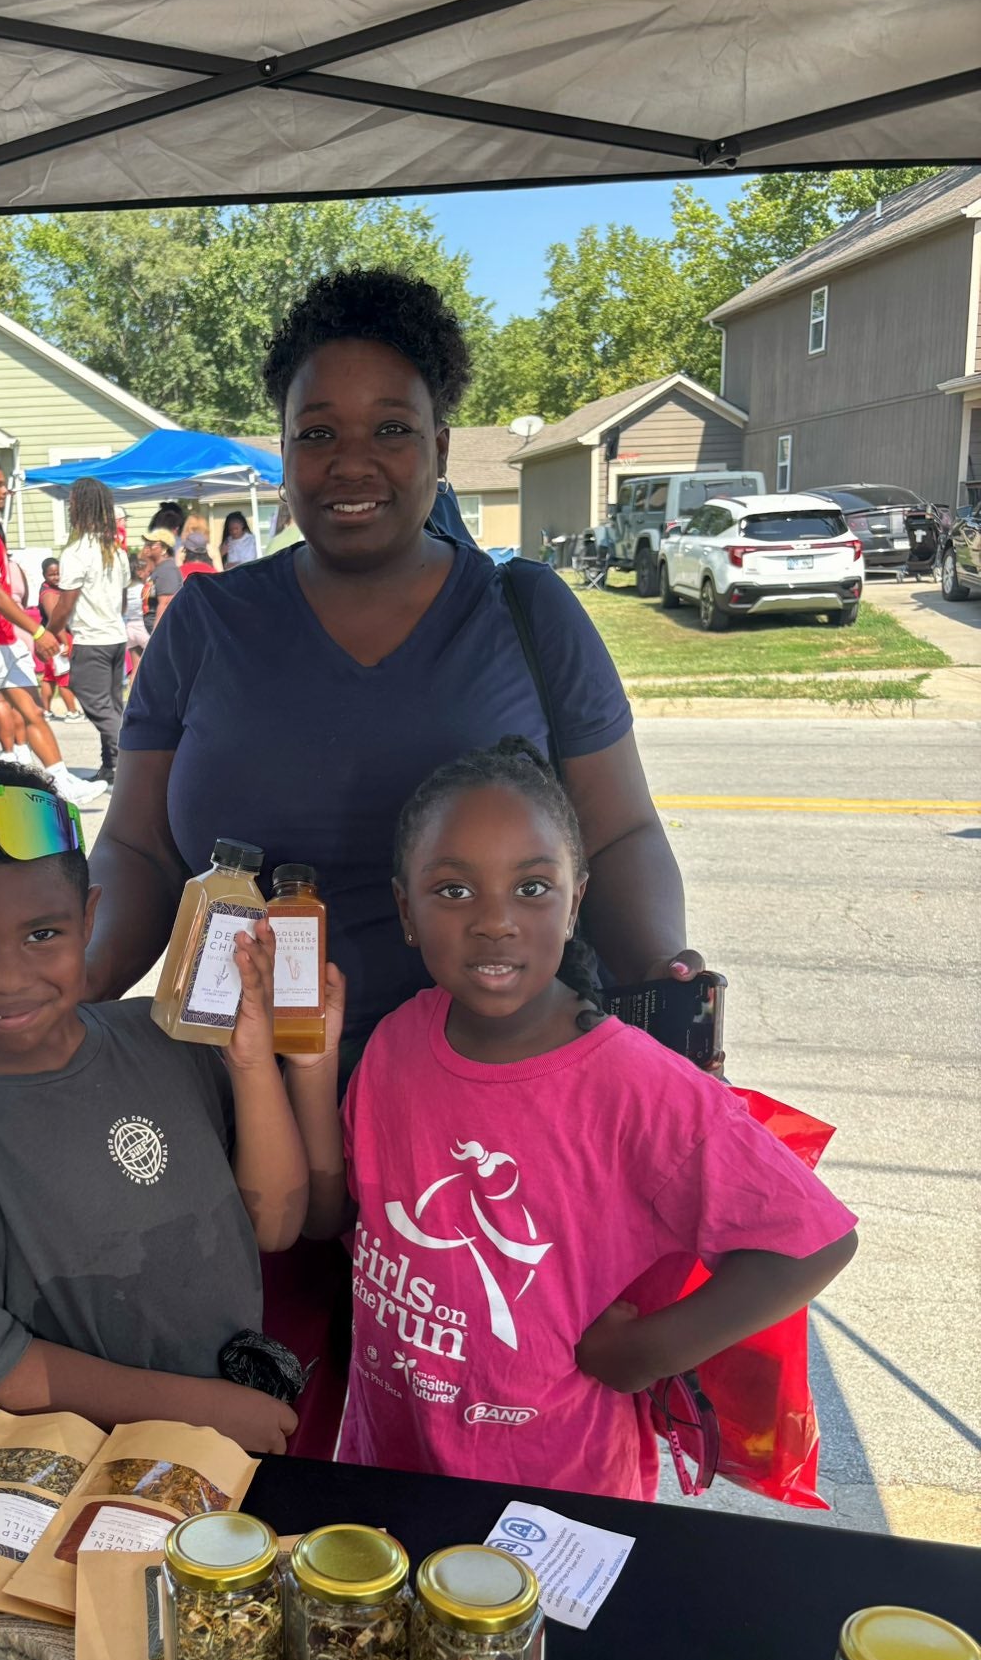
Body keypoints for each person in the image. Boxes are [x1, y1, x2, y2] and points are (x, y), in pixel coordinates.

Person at [88, 265, 712, 1453]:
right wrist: (59, 996)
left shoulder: (525, 613)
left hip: (478, 1134)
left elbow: (621, 832)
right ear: (281, 449)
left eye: (391, 429)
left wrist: (671, 999)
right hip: (245, 1118)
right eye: (317, 432)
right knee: (252, 1456)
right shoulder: (209, 625)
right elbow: (134, 843)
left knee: (460, 1453)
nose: (352, 461)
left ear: (438, 443)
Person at [288, 738, 858, 1502]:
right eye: (455, 892)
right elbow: (338, 1213)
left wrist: (647, 1352)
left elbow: (813, 1241)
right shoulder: (396, 1041)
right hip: (391, 1467)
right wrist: (310, 1066)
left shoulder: (634, 1084)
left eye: (531, 888)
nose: (495, 922)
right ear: (406, 910)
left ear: (577, 900)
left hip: (555, 1498)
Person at [0, 759, 307, 1448]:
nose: (8, 977)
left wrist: (251, 1063)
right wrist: (202, 1409)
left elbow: (277, 1223)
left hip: (227, 1452)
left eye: (42, 934)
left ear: (89, 917)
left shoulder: (161, 1037)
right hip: (76, 1486)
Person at [0, 450, 105, 806]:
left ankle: (61, 781)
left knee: (33, 710)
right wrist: (38, 631)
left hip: (2, 636)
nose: (5, 491)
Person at [47, 477, 131, 788]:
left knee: (98, 705)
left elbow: (65, 603)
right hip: (115, 636)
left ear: (81, 508)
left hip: (91, 639)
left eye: (71, 503)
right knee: (112, 704)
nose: (69, 508)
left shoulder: (76, 551)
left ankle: (131, 763)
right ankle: (110, 767)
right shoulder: (115, 550)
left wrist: (50, 631)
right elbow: (122, 598)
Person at [33, 557, 81, 720]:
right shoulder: (49, 593)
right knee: (64, 677)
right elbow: (55, 619)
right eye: (51, 574)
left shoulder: (52, 589)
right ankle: (72, 712)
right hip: (57, 638)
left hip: (48, 637)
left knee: (49, 677)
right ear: (44, 575)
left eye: (58, 573)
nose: (56, 577)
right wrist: (65, 643)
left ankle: (45, 711)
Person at [141, 530, 181, 629]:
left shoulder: (167, 570)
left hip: (163, 630)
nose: (147, 546)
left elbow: (165, 604)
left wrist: (156, 634)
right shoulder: (160, 569)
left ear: (164, 549)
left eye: (151, 544)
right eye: (147, 543)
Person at [124, 551, 153, 673]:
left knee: (136, 667)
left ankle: (133, 691)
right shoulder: (144, 588)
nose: (149, 574)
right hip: (142, 627)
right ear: (140, 573)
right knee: (154, 659)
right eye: (147, 572)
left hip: (129, 627)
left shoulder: (126, 589)